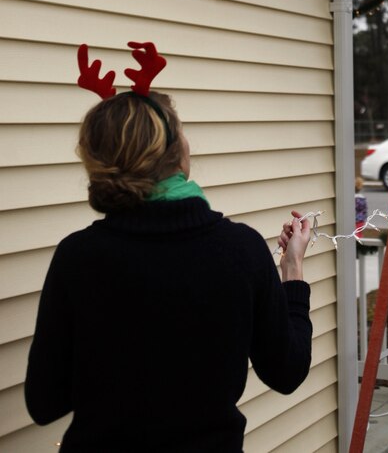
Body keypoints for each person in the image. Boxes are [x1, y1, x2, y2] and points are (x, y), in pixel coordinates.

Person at [25, 42, 312, 453]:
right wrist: (292, 272)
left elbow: (44, 402)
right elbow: (287, 371)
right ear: (179, 153)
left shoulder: (78, 257)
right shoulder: (240, 251)